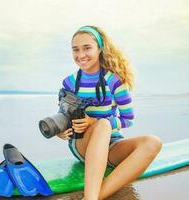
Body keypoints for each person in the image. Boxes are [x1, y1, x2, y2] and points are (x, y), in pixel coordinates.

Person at [58, 26, 163, 200]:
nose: (80, 54)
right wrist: (61, 130)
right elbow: (63, 115)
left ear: (99, 49)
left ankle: (93, 198)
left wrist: (95, 122)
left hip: (111, 145)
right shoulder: (70, 82)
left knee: (153, 142)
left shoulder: (114, 81)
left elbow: (128, 120)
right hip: (82, 144)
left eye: (87, 48)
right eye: (75, 49)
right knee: (103, 124)